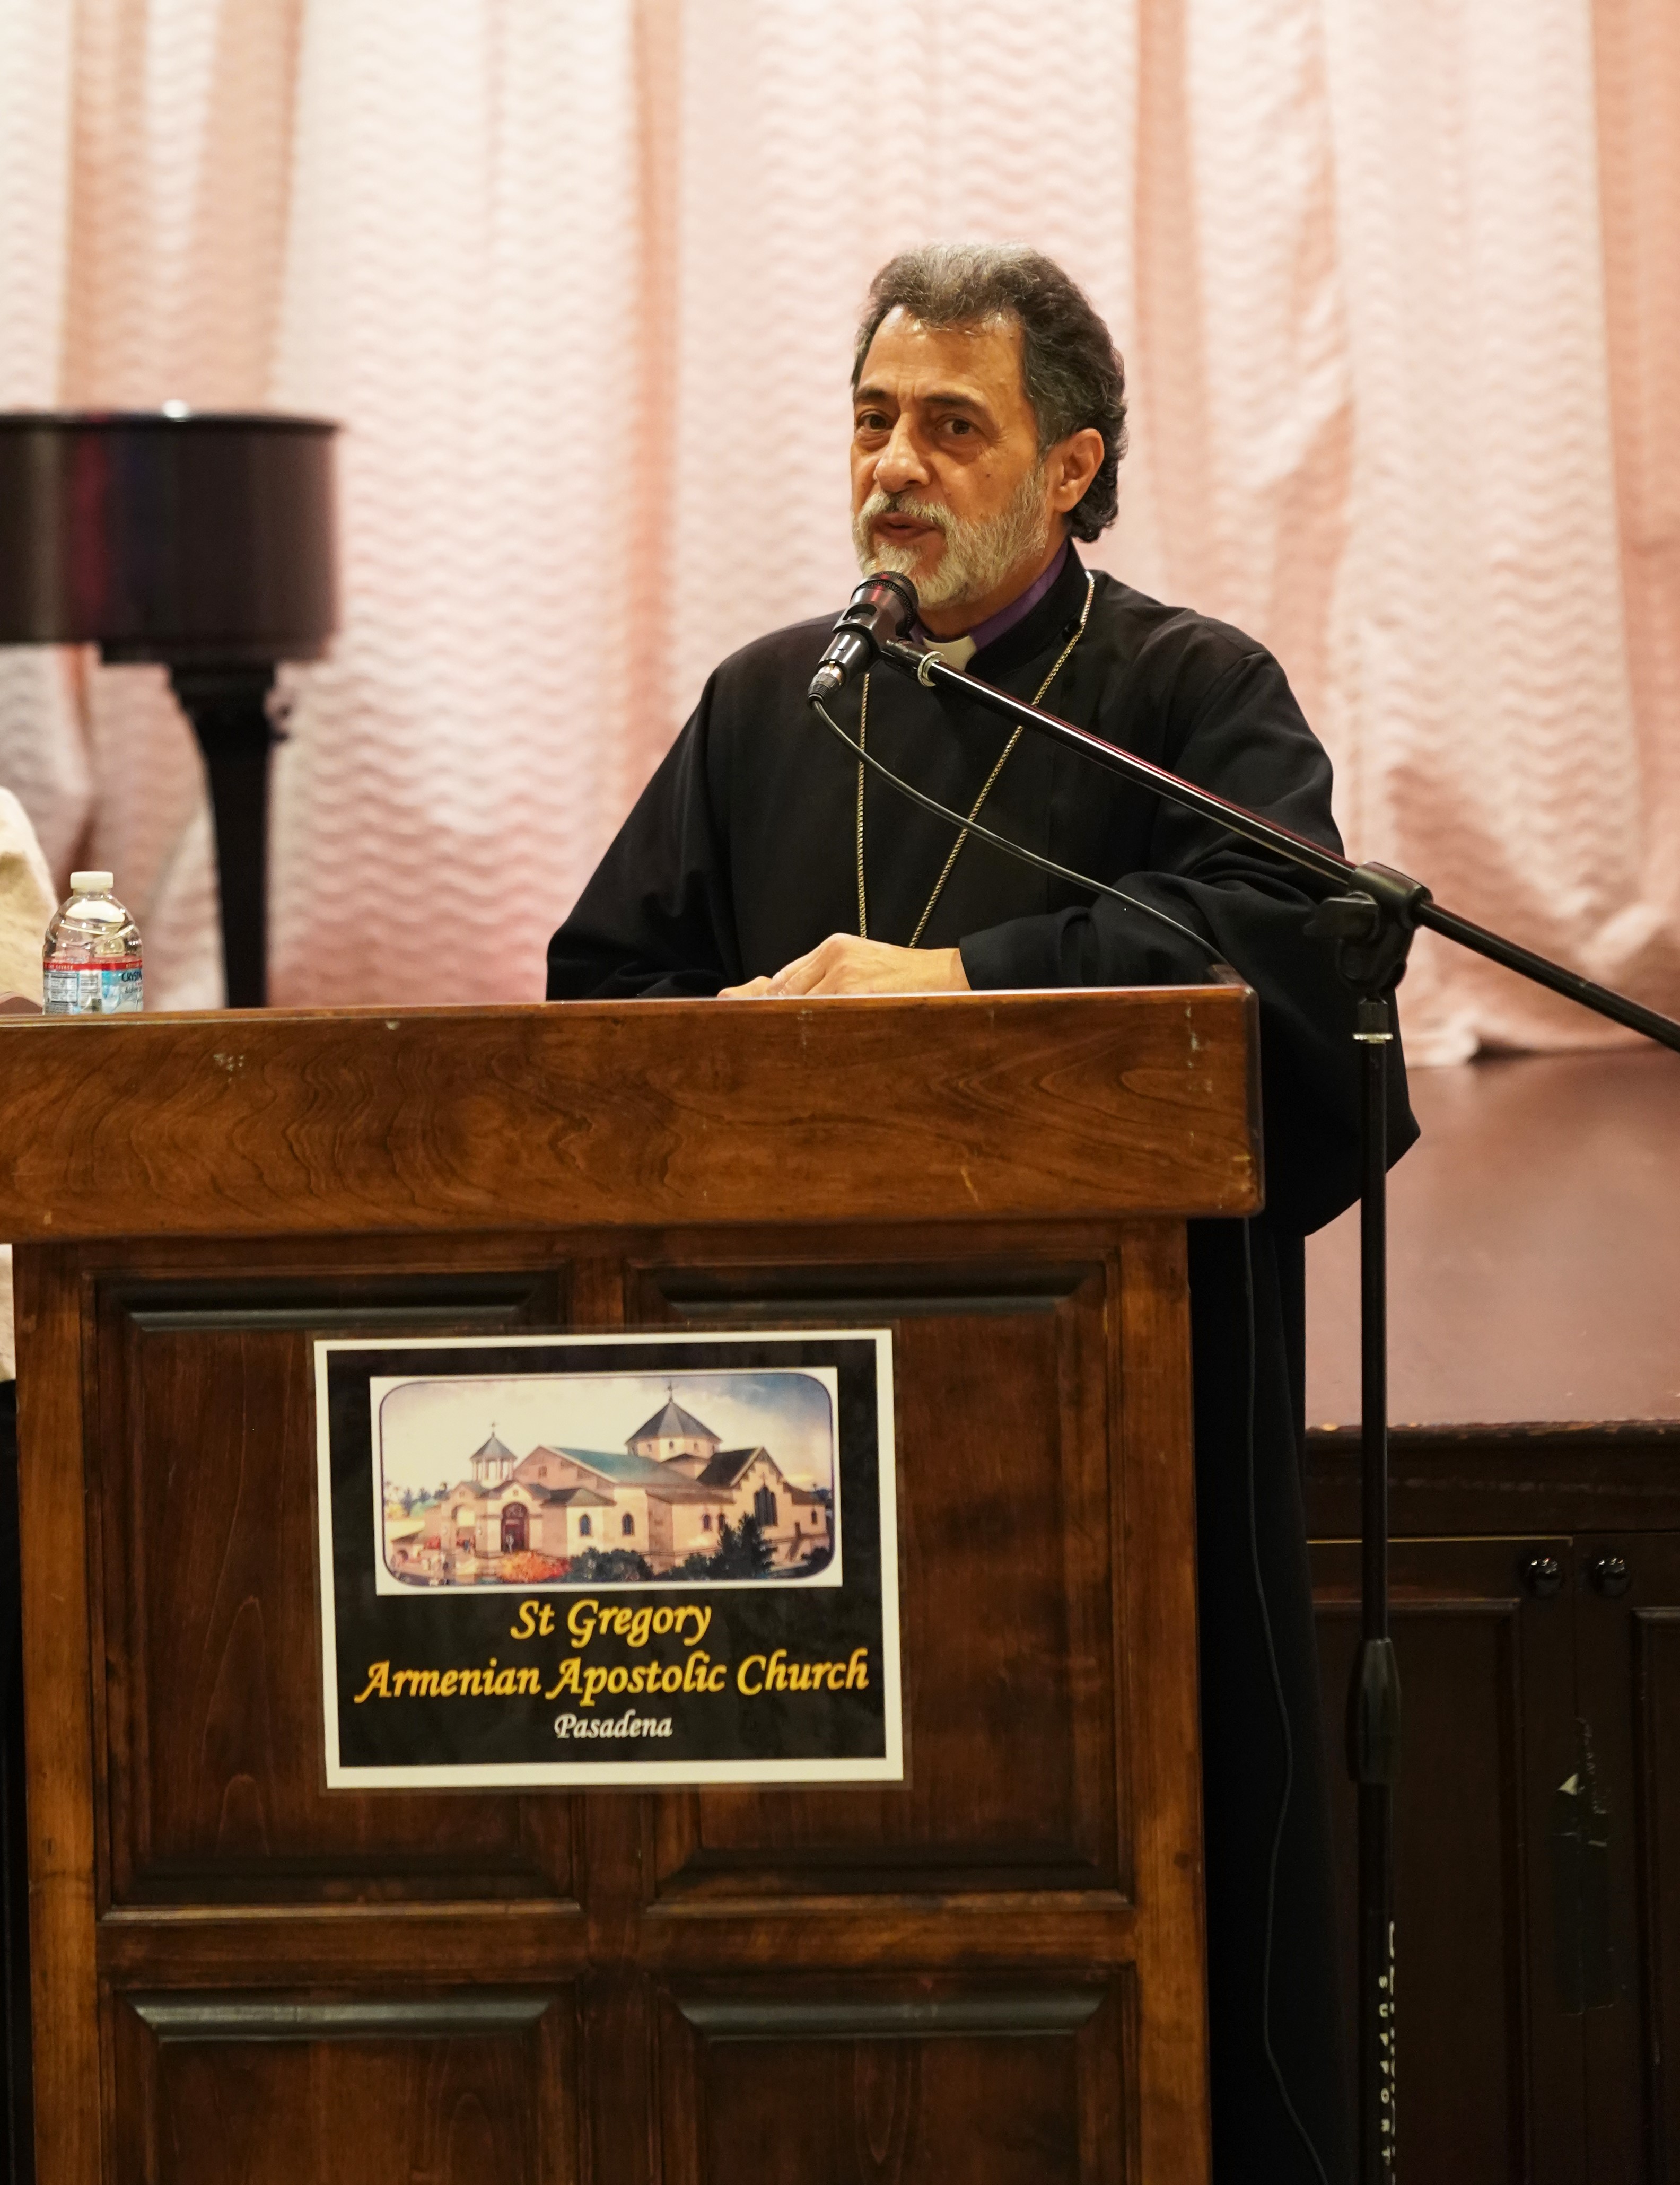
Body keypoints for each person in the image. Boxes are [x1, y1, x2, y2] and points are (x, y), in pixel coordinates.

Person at [546, 241, 1416, 2183]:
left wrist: (953, 985)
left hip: (1125, 1429)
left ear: (1072, 467)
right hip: (800, 1435)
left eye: (955, 426)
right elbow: (605, 994)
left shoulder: (1186, 690)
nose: (895, 466)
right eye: (874, 419)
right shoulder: (768, 703)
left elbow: (1282, 947)